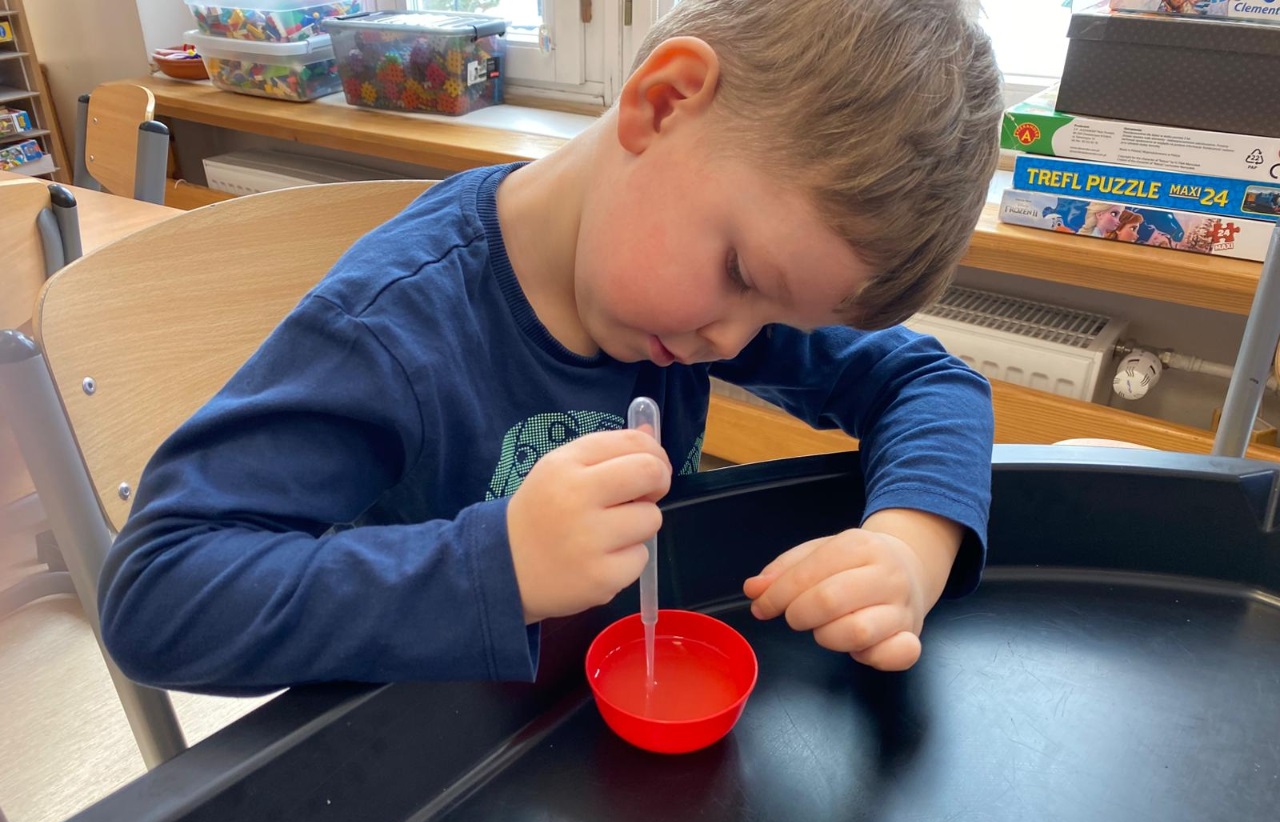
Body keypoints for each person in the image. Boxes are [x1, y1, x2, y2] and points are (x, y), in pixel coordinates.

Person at [99, 0, 1004, 694]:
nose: (732, 341)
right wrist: (500, 568)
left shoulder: (694, 304)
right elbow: (159, 595)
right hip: (429, 750)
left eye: (779, 324)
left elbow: (928, 382)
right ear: (663, 104)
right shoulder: (392, 331)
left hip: (591, 716)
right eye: (738, 273)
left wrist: (908, 549)